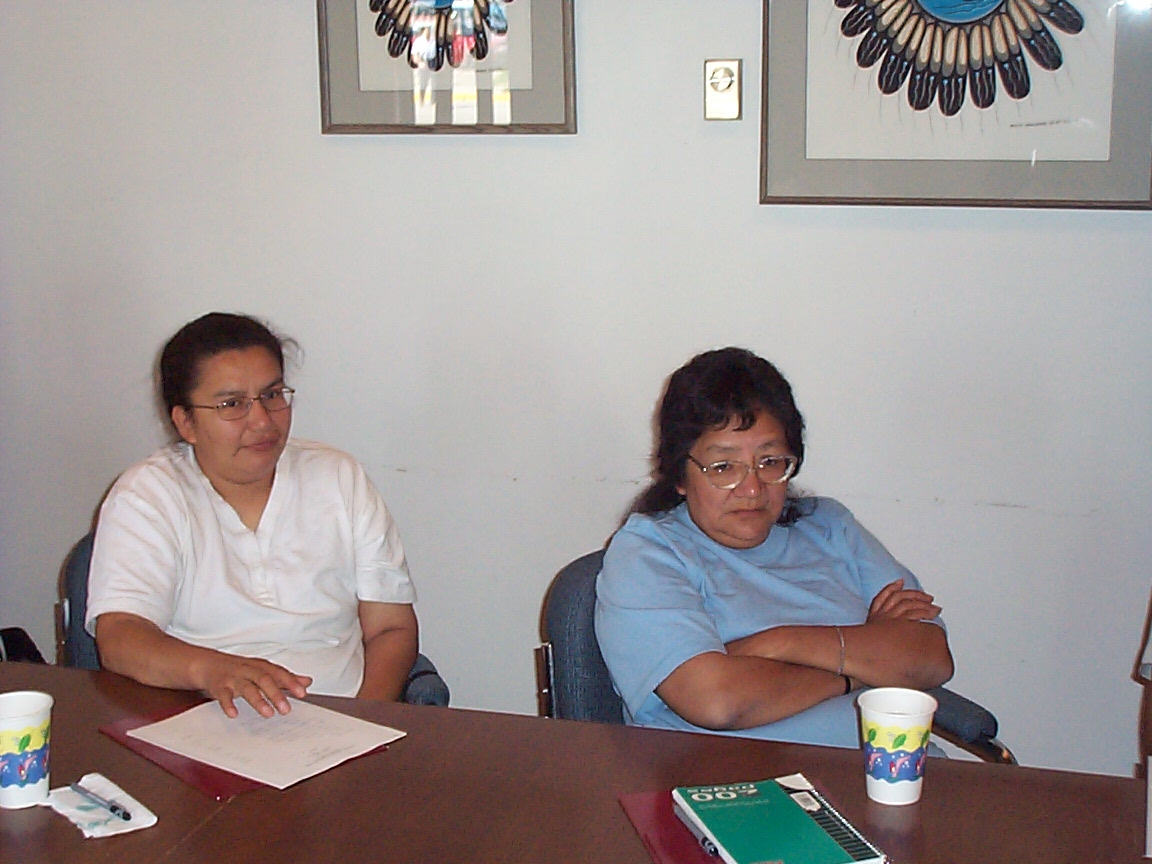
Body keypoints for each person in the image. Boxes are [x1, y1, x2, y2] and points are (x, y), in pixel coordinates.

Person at [594, 347, 954, 748]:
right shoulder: (648, 553)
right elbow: (717, 701)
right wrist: (860, 664)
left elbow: (930, 657)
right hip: (737, 779)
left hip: (890, 767)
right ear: (680, 475)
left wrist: (779, 643)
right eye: (724, 467)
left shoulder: (830, 526)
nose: (752, 489)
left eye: (770, 462)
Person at [87, 313, 419, 719]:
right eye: (232, 404)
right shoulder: (148, 495)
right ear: (186, 422)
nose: (262, 421)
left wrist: (362, 721)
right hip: (205, 724)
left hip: (343, 716)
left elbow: (391, 628)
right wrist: (213, 669)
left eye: (272, 395)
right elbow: (120, 637)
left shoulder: (338, 478)